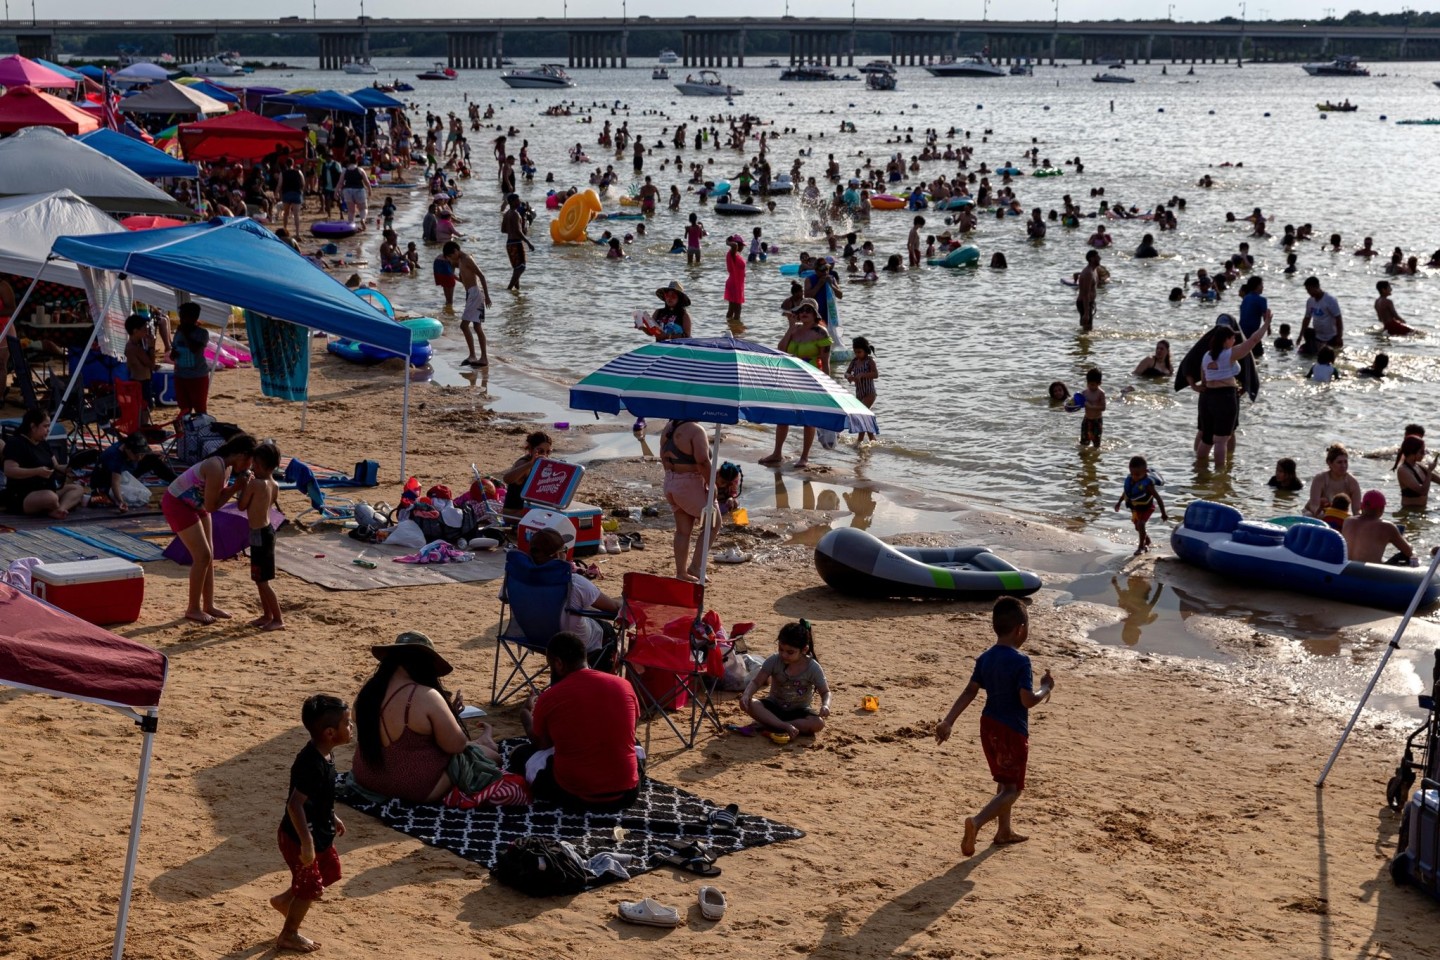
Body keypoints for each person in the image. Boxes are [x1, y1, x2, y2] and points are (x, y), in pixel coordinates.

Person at [934, 597, 1054, 858]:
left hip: (988, 725)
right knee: (1013, 789)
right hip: (1012, 729)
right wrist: (1045, 688)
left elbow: (969, 691)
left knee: (1003, 779)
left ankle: (1004, 831)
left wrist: (948, 721)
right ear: (1021, 629)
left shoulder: (985, 658)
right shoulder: (1021, 661)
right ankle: (976, 822)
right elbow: (1027, 700)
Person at [352, 632, 513, 805]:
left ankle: (483, 741)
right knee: (490, 756)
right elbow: (456, 746)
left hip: (367, 778)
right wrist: (449, 716)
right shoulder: (424, 695)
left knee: (475, 748)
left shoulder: (368, 692)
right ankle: (485, 741)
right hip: (415, 788)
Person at [516, 630, 643, 812]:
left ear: (558, 663)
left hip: (577, 796)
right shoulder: (624, 685)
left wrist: (526, 715)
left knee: (520, 755)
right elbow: (630, 730)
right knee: (632, 745)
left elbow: (542, 744)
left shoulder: (551, 696)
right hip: (627, 794)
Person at [272, 694, 351, 955]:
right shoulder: (311, 763)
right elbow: (295, 805)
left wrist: (331, 815)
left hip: (318, 832)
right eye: (347, 724)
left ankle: (286, 900)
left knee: (330, 872)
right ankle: (289, 934)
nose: (351, 728)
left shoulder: (326, 754)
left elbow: (318, 797)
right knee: (309, 886)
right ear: (330, 732)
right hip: (299, 837)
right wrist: (306, 844)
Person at [162, 432, 256, 624]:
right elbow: (213, 505)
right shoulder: (215, 466)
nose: (250, 466)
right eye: (250, 461)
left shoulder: (226, 468)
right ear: (242, 455)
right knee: (202, 556)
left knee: (209, 555)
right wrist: (235, 488)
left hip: (196, 504)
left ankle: (208, 605)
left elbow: (216, 501)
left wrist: (238, 487)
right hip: (178, 504)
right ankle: (193, 608)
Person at [528, 528, 620, 667]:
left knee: (583, 611)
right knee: (607, 630)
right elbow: (613, 608)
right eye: (565, 549)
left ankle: (564, 681)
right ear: (559, 555)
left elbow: (505, 598)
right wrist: (624, 601)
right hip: (572, 643)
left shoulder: (519, 578)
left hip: (534, 638)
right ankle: (597, 683)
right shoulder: (573, 582)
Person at [762, 299, 832, 469]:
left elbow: (825, 361)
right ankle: (777, 453)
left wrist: (827, 384)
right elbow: (780, 350)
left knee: (808, 419)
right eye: (801, 310)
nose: (804, 312)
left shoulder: (821, 333)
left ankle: (804, 457)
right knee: (783, 416)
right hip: (790, 377)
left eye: (808, 310)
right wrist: (790, 328)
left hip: (811, 380)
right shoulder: (795, 331)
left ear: (815, 314)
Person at [739, 620, 831, 742]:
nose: (784, 655)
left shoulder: (813, 667)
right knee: (747, 703)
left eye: (790, 652)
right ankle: (783, 726)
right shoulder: (774, 660)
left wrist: (825, 705)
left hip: (799, 711)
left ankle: (773, 724)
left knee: (818, 723)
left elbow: (825, 692)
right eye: (781, 649)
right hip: (774, 706)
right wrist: (747, 694)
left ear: (804, 650)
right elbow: (756, 682)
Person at [1198, 316, 1268, 470]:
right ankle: (1220, 476)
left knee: (1207, 439)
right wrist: (1266, 324)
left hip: (1207, 397)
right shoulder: (1229, 354)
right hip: (1225, 398)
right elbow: (1253, 340)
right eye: (1232, 338)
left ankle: (1199, 470)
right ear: (1225, 340)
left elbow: (1203, 380)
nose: (1234, 341)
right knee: (1221, 440)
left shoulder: (1206, 355)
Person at [2, 408, 85, 519]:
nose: (48, 430)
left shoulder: (43, 443)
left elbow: (56, 466)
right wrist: (37, 471)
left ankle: (60, 509)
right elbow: (10, 470)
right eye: (45, 426)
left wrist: (69, 467)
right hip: (24, 494)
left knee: (77, 489)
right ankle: (54, 508)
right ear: (33, 426)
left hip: (49, 489)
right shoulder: (16, 443)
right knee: (50, 497)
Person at [239, 440, 283, 631]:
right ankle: (267, 614)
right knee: (259, 578)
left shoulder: (256, 484)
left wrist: (244, 487)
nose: (253, 468)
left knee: (263, 581)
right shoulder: (274, 484)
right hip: (266, 531)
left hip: (260, 535)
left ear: (267, 465)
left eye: (256, 464)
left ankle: (278, 618)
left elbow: (242, 505)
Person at [661, 418, 712, 583]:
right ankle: (696, 566)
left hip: (671, 481)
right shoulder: (696, 430)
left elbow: (663, 456)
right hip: (690, 482)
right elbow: (703, 461)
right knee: (713, 523)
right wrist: (712, 484)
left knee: (683, 530)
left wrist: (674, 478)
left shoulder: (670, 426)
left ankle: (681, 572)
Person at [88, 431, 175, 512]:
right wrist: (120, 501)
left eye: (142, 455)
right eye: (137, 455)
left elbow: (144, 454)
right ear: (127, 449)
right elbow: (115, 483)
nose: (139, 458)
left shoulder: (129, 449)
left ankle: (176, 481)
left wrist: (151, 455)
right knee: (141, 496)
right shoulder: (115, 457)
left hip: (126, 473)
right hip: (107, 484)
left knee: (153, 460)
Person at [443, 242, 490, 367]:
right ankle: (479, 357)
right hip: (471, 294)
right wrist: (456, 277)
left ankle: (476, 356)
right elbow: (465, 280)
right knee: (476, 327)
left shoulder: (467, 259)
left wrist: (487, 297)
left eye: (450, 256)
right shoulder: (460, 261)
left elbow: (481, 276)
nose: (451, 260)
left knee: (464, 326)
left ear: (455, 251)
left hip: (475, 294)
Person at [1342, 490, 1417, 565]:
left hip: (1346, 569)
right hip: (1369, 573)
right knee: (1406, 556)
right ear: (1381, 509)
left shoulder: (1348, 521)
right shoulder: (1387, 527)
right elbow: (1408, 552)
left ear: (1362, 506)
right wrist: (1405, 539)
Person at [1115, 455, 1168, 555]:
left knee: (1141, 524)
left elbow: (1158, 498)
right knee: (1138, 527)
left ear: (1145, 472)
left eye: (1138, 474)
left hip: (1147, 508)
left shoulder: (1147, 485)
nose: (1134, 477)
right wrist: (1119, 502)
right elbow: (1126, 493)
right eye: (1132, 474)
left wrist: (1163, 513)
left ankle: (1141, 547)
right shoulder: (1131, 480)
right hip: (1136, 509)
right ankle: (1147, 541)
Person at [170, 302, 211, 417]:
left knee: (200, 409)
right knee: (184, 409)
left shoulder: (202, 333)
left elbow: (195, 349)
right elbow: (174, 350)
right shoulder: (179, 332)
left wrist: (186, 333)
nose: (181, 320)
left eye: (184, 317)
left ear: (194, 318)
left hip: (197, 376)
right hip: (180, 375)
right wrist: (174, 354)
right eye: (181, 316)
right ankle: (187, 432)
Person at [501, 430, 552, 519]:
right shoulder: (524, 464)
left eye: (548, 452)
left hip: (525, 511)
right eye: (541, 451)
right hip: (512, 514)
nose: (545, 455)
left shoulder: (540, 464)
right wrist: (530, 464)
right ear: (531, 449)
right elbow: (507, 479)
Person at [1305, 443, 1362, 519]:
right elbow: (1313, 506)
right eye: (1339, 462)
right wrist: (1324, 513)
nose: (1343, 466)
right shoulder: (1320, 479)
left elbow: (1356, 511)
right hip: (1318, 514)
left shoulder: (1352, 482)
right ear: (1329, 463)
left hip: (1339, 515)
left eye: (1345, 462)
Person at [123, 313, 158, 421]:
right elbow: (151, 364)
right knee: (145, 409)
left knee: (140, 408)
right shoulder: (135, 348)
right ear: (135, 331)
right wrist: (152, 347)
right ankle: (142, 429)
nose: (146, 332)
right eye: (143, 329)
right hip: (142, 382)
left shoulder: (130, 345)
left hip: (135, 380)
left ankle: (141, 428)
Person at [845, 336, 878, 444]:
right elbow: (846, 372)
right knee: (865, 415)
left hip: (869, 393)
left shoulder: (869, 361)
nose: (857, 354)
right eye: (855, 352)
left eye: (859, 352)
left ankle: (860, 440)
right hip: (859, 394)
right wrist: (849, 376)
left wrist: (863, 375)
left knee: (861, 414)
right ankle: (872, 439)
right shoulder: (854, 361)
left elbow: (875, 374)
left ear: (865, 350)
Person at [1393, 435, 1437, 509]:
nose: (1424, 454)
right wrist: (1429, 471)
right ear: (1412, 452)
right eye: (1422, 452)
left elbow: (1437, 479)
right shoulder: (1403, 470)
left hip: (1422, 510)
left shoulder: (1419, 465)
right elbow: (1422, 491)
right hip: (1409, 512)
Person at [1300, 276, 1343, 351]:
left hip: (1332, 337)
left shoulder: (1330, 300)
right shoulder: (1310, 301)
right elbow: (1307, 319)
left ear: (1316, 287)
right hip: (1317, 337)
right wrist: (1300, 335)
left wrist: (1339, 337)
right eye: (1307, 290)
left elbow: (1338, 319)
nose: (1308, 292)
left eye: (1309, 289)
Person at [500, 193, 530, 292]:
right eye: (517, 200)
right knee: (521, 267)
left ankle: (517, 291)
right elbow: (518, 231)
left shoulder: (507, 214)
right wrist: (528, 242)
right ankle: (509, 288)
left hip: (509, 243)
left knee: (516, 268)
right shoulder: (516, 214)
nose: (519, 202)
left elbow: (503, 230)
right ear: (512, 202)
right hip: (516, 243)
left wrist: (512, 230)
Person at [1078, 367, 1105, 448]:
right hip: (1086, 419)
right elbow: (1078, 405)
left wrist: (1091, 407)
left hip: (1097, 420)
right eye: (1088, 384)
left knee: (1096, 444)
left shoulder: (1101, 393)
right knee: (1083, 443)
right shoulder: (1084, 392)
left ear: (1099, 383)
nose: (1090, 386)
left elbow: (1103, 407)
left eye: (1093, 384)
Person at [724, 234, 746, 328]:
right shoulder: (732, 253)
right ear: (737, 244)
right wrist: (728, 242)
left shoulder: (736, 255)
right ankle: (736, 330)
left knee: (731, 309)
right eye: (741, 245)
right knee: (737, 310)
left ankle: (729, 326)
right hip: (735, 284)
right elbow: (734, 246)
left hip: (736, 283)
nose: (742, 247)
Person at [1076, 250, 1100, 332]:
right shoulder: (1088, 273)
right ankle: (1082, 343)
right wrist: (1086, 313)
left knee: (1088, 329)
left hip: (1090, 303)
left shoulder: (1094, 270)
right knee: (1087, 330)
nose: (1100, 258)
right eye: (1097, 257)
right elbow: (1085, 294)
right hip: (1084, 303)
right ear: (1091, 259)